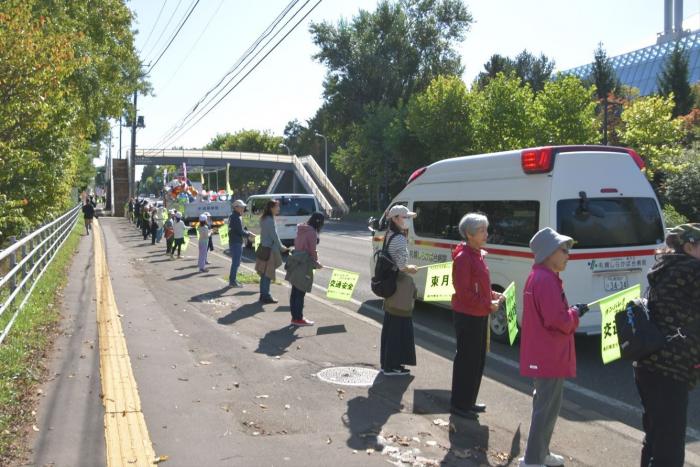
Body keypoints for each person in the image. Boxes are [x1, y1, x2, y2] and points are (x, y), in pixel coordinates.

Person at [518, 227, 588, 467]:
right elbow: (558, 321)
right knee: (545, 410)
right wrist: (575, 313)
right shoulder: (546, 279)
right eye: (563, 249)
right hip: (549, 354)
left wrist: (571, 313)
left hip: (544, 352)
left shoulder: (539, 276)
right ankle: (533, 459)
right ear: (548, 252)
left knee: (545, 406)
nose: (568, 254)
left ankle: (540, 453)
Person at [633, 223, 700, 467]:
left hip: (647, 362)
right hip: (671, 369)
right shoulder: (693, 269)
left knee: (654, 436)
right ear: (689, 246)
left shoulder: (663, 267)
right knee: (669, 446)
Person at [450, 213, 503, 417]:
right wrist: (487, 303)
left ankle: (469, 401)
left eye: (485, 229)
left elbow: (480, 286)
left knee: (478, 359)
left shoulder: (478, 254)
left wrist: (492, 295)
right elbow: (463, 293)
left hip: (479, 313)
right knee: (467, 360)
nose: (486, 234)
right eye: (482, 230)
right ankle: (459, 405)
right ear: (469, 234)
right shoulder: (464, 258)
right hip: (468, 315)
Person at [379, 205, 418, 376]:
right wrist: (412, 268)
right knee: (399, 326)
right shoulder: (400, 239)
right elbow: (402, 266)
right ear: (395, 218)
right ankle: (392, 366)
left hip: (390, 286)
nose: (407, 220)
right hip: (399, 287)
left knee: (391, 325)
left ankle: (388, 363)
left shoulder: (388, 234)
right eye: (405, 217)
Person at [285, 212, 325, 326]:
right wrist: (317, 263)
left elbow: (298, 245)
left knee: (295, 291)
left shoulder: (301, 228)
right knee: (300, 292)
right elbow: (312, 251)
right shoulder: (312, 232)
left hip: (296, 261)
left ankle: (295, 317)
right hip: (304, 263)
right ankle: (299, 318)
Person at [255, 200, 288, 304]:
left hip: (264, 248)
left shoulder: (264, 218)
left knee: (264, 273)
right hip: (269, 250)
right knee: (267, 274)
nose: (278, 209)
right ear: (271, 208)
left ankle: (263, 295)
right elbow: (274, 236)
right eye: (277, 207)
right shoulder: (269, 220)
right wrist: (281, 247)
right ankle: (266, 296)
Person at [228, 200, 254, 287]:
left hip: (235, 241)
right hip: (236, 242)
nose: (243, 208)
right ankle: (232, 281)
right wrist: (249, 234)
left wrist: (248, 232)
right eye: (241, 207)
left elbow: (239, 230)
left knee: (236, 262)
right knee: (236, 262)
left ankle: (233, 280)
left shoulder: (234, 216)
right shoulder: (236, 217)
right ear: (236, 208)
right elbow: (239, 231)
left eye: (243, 207)